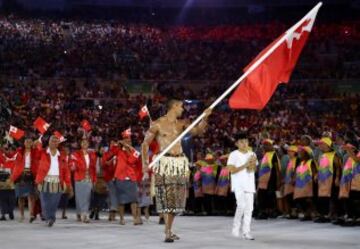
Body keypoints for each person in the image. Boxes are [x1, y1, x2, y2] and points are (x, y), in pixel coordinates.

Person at [141, 99, 211, 242]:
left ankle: (169, 229)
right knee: (166, 199)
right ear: (173, 106)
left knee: (175, 201)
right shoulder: (158, 123)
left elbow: (198, 131)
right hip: (165, 163)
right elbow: (145, 144)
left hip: (179, 163)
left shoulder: (181, 123)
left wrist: (205, 118)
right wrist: (145, 163)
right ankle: (167, 231)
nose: (183, 109)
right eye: (181, 106)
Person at [35, 135, 71, 227]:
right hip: (44, 180)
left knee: (54, 202)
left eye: (56, 141)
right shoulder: (42, 152)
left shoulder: (62, 155)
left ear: (58, 143)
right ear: (48, 142)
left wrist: (68, 183)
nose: (54, 142)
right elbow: (34, 154)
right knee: (45, 202)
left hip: (58, 181)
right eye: (52, 140)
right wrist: (36, 144)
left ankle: (51, 218)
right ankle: (48, 218)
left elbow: (66, 170)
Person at [227, 133, 257, 240]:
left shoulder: (252, 154)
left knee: (249, 209)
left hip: (249, 184)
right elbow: (231, 170)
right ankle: (235, 228)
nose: (244, 143)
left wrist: (252, 163)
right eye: (241, 142)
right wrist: (245, 165)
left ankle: (246, 232)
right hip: (238, 184)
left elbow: (252, 170)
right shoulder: (233, 154)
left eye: (245, 141)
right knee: (241, 205)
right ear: (236, 143)